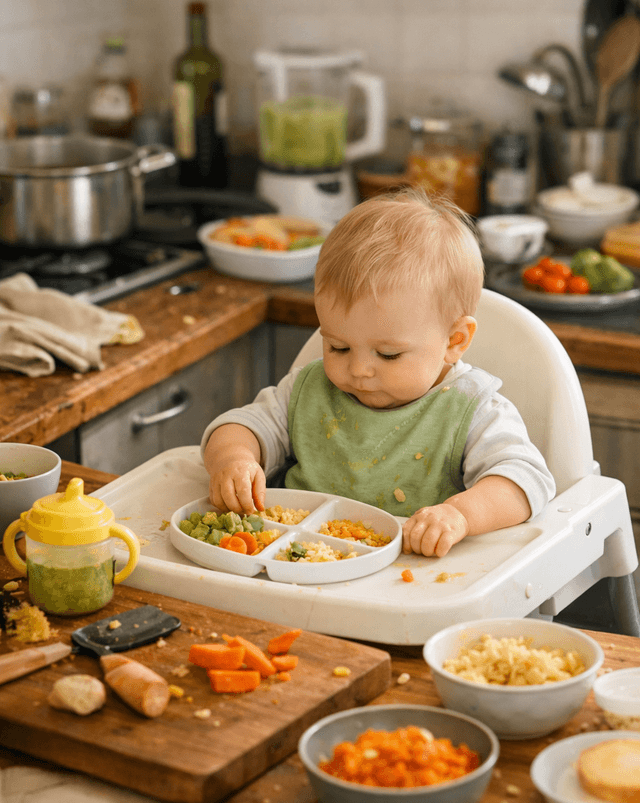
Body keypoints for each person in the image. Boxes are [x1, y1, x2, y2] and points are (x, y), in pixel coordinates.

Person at [201, 189, 555, 558]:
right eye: (337, 346)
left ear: (455, 340)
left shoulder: (472, 410)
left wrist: (460, 515)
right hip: (297, 566)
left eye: (388, 354)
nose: (358, 370)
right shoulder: (310, 390)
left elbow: (524, 481)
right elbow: (241, 425)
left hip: (412, 582)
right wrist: (233, 460)